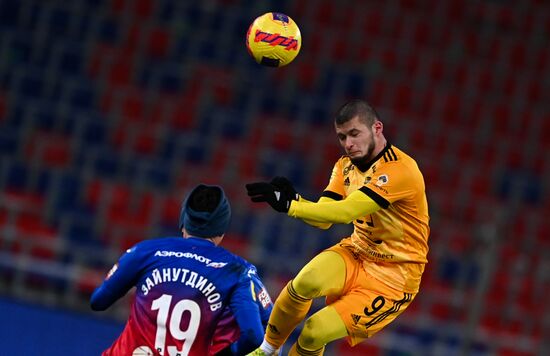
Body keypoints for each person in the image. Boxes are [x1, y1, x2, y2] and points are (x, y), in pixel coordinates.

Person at [245, 99, 430, 356]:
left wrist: (290, 206)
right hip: (358, 251)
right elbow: (324, 217)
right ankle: (267, 350)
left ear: (377, 128)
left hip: (394, 277)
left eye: (355, 134)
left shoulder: (401, 170)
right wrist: (297, 200)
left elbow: (346, 212)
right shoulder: (344, 166)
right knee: (305, 283)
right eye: (342, 137)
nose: (348, 144)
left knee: (314, 332)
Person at [91, 184, 267, 355]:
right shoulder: (238, 272)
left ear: (184, 220)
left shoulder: (145, 251)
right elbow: (256, 335)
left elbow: (98, 301)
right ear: (222, 230)